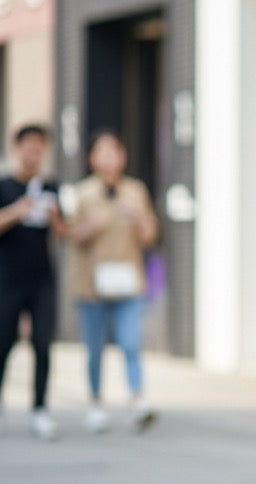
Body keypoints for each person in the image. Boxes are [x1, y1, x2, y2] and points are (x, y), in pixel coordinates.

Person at [67, 129, 159, 433]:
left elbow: (150, 237)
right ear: (91, 158)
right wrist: (91, 226)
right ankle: (95, 403)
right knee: (94, 349)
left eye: (114, 152)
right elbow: (70, 236)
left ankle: (138, 401)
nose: (108, 159)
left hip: (128, 282)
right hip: (91, 286)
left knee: (131, 343)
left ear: (123, 156)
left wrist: (138, 219)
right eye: (101, 152)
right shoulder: (82, 193)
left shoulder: (135, 191)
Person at [0, 124, 63, 439]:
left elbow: (65, 233)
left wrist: (55, 218)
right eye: (29, 146)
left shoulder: (51, 187)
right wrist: (17, 211)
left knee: (42, 344)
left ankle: (40, 408)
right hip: (7, 278)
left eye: (40, 147)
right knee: (3, 343)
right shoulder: (4, 186)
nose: (34, 152)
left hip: (43, 279)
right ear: (18, 148)